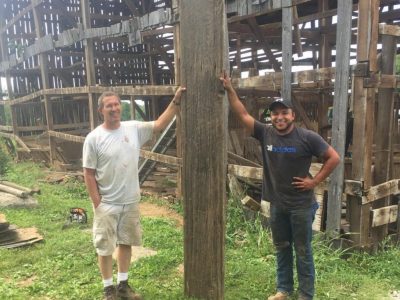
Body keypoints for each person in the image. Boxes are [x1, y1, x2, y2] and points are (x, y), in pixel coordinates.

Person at [220, 72, 340, 300]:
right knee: (282, 247)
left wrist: (314, 181)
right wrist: (229, 89)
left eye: (284, 113)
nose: (279, 117)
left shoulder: (308, 138)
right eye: (275, 114)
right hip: (277, 204)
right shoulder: (266, 134)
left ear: (292, 115)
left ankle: (306, 293)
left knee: (303, 251)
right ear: (271, 117)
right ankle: (283, 289)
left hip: (301, 206)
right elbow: (242, 113)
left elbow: (334, 157)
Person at [82, 87, 186, 300]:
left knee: (126, 242)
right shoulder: (94, 138)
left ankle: (123, 286)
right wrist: (97, 203)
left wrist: (176, 101)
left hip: (130, 201)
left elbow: (159, 125)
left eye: (117, 104)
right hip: (107, 203)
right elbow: (88, 173)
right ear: (101, 110)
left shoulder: (133, 129)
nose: (114, 108)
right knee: (105, 247)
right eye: (109, 105)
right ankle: (108, 290)